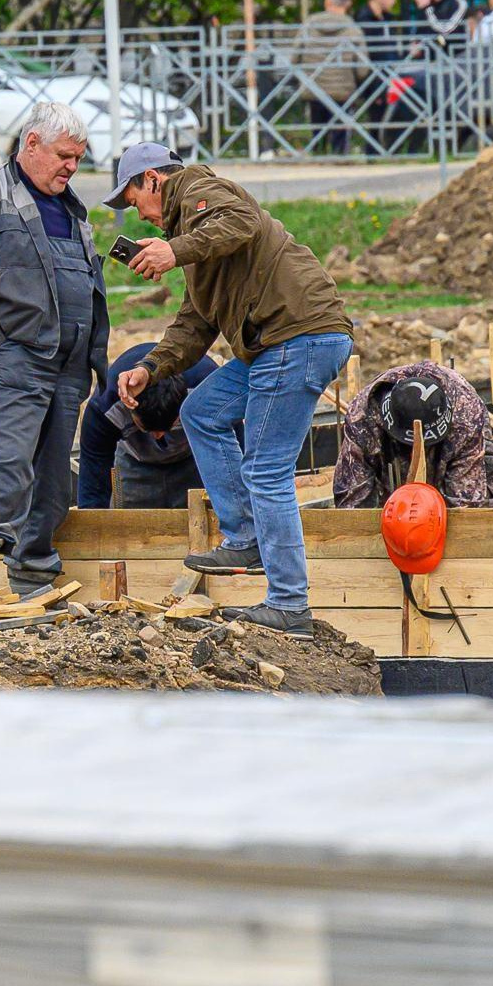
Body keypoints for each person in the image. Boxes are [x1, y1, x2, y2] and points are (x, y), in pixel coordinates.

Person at [105, 141, 355, 633]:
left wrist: (172, 251)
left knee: (265, 468)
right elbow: (195, 324)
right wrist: (151, 369)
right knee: (202, 411)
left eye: (135, 200)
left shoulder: (199, 188)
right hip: (273, 346)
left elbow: (240, 221)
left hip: (300, 336)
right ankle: (245, 536)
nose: (139, 216)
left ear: (154, 179)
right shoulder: (195, 242)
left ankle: (288, 604)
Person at [0, 100, 108, 593]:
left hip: (67, 364)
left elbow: (85, 284)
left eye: (78, 158)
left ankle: (31, 583)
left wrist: (94, 354)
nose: (72, 168)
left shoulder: (72, 208)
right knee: (9, 464)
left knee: (53, 481)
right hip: (15, 358)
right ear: (32, 144)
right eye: (65, 156)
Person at [329, 361, 493, 509]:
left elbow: (466, 504)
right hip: (387, 438)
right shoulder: (364, 415)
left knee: (476, 512)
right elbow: (352, 499)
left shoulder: (466, 415)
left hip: (458, 426)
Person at [79, 344, 218, 509]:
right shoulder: (105, 406)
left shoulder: (208, 387)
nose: (158, 436)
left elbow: (235, 449)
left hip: (195, 461)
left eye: (168, 427)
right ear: (131, 405)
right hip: (135, 465)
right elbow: (94, 475)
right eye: (147, 429)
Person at [294, 0, 369, 155]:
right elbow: (363, 67)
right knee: (340, 130)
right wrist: (357, 81)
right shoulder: (353, 29)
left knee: (318, 129)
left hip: (313, 87)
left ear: (327, 2)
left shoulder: (310, 24)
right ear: (348, 3)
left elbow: (294, 56)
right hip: (342, 90)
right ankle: (339, 157)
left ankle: (318, 157)